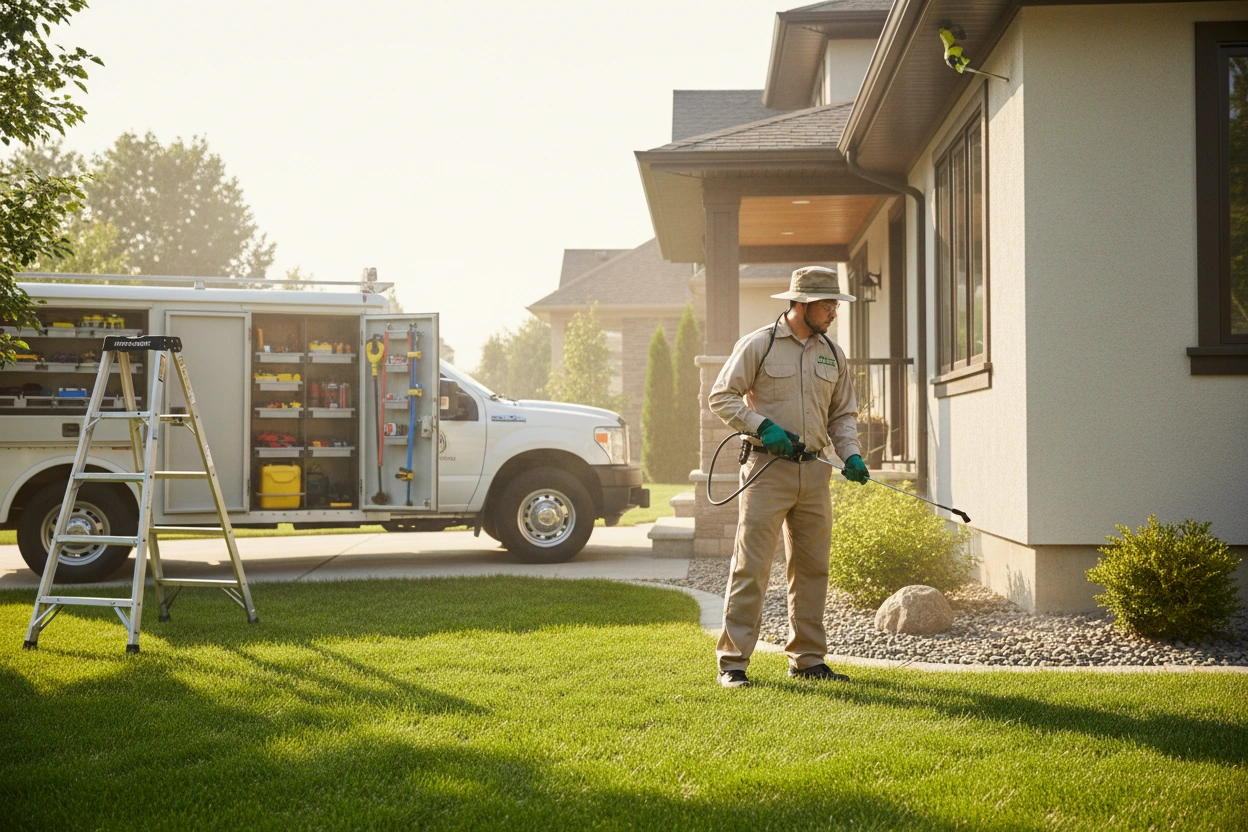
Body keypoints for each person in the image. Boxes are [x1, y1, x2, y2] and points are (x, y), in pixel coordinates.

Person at [708, 266, 870, 688]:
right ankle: (733, 664)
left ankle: (808, 660)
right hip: (766, 471)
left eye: (835, 304)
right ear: (800, 304)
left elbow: (842, 414)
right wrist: (761, 426)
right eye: (827, 305)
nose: (834, 312)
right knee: (752, 567)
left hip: (816, 474)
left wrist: (850, 454)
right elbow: (721, 396)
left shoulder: (832, 354)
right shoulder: (758, 345)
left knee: (813, 569)